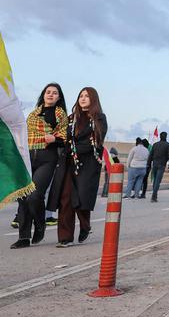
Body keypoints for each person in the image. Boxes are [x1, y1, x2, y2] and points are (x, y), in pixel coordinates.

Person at [11, 83, 68, 249]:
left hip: (46, 157)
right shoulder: (33, 114)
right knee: (23, 197)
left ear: (59, 97)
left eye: (55, 93)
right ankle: (23, 237)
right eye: (48, 92)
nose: (50, 95)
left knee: (34, 196)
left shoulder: (60, 114)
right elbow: (23, 133)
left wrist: (54, 139)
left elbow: (64, 136)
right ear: (43, 94)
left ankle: (40, 224)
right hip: (28, 156)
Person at [49, 87, 107, 247]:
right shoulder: (70, 118)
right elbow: (63, 138)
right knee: (66, 199)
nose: (83, 98)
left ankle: (85, 225)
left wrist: (73, 147)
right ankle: (65, 237)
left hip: (87, 164)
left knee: (81, 198)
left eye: (87, 96)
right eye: (81, 96)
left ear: (93, 99)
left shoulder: (99, 118)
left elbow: (96, 140)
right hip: (68, 163)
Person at [150, 132, 169, 201]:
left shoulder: (155, 144)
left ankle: (154, 194)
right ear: (166, 136)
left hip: (155, 164)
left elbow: (151, 155)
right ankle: (154, 195)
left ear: (160, 136)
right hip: (162, 165)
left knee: (155, 180)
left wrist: (148, 163)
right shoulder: (168, 145)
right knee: (157, 180)